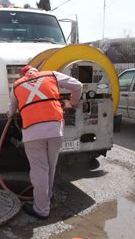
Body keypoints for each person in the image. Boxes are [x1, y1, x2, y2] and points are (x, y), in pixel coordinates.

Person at [8, 65, 83, 219]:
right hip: (55, 129)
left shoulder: (17, 85)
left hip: (33, 132)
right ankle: (46, 198)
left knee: (40, 170)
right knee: (50, 166)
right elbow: (78, 86)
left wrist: (9, 114)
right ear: (36, 72)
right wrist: (72, 103)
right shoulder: (51, 75)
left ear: (23, 76)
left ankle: (41, 209)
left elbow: (11, 110)